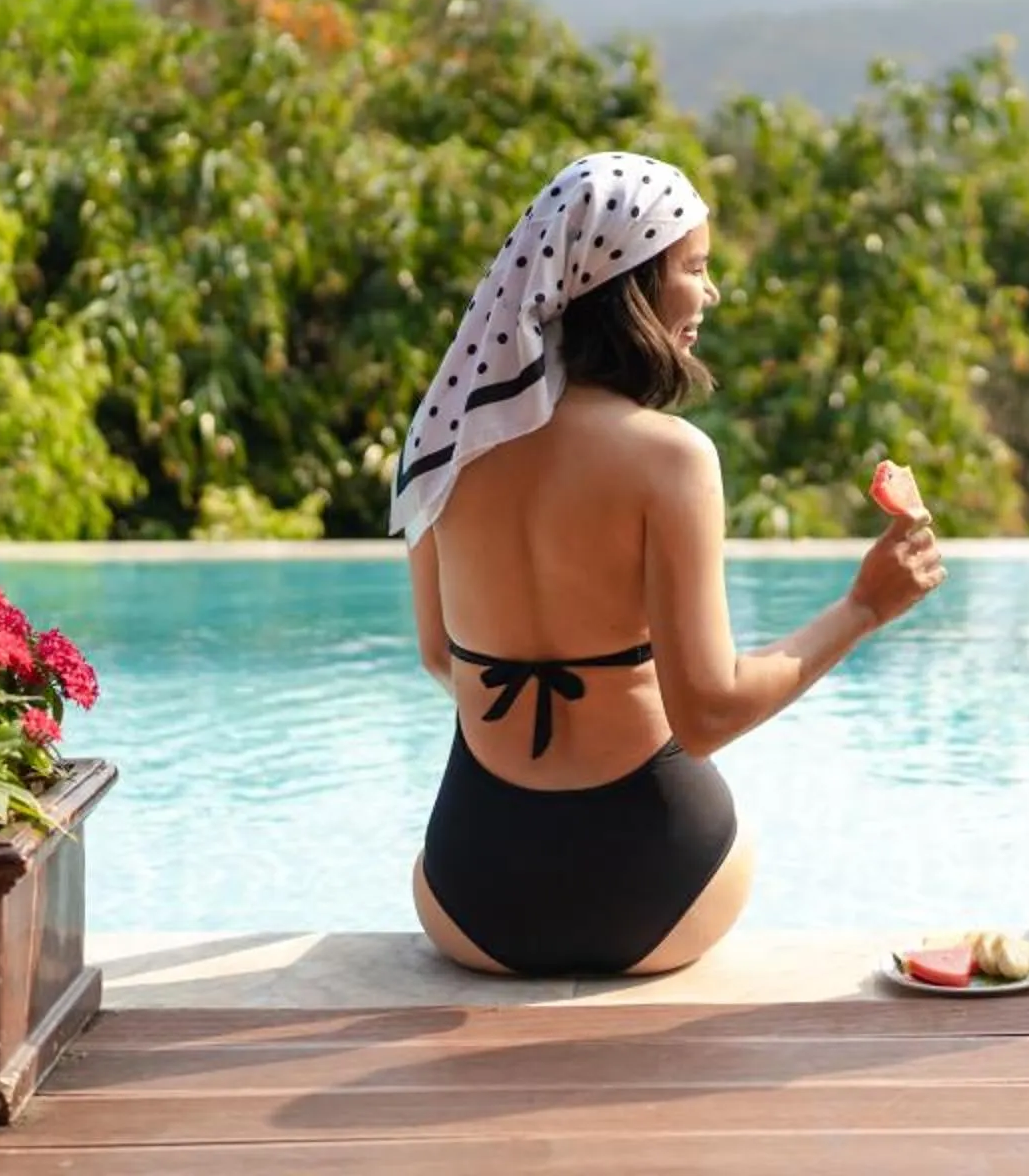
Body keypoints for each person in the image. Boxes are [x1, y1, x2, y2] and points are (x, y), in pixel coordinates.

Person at [393, 150, 945, 976]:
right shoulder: (670, 459)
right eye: (694, 268)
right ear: (630, 283)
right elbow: (708, 714)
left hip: (471, 896)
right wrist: (864, 606)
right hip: (657, 888)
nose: (709, 294)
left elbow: (440, 657)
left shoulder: (448, 442)